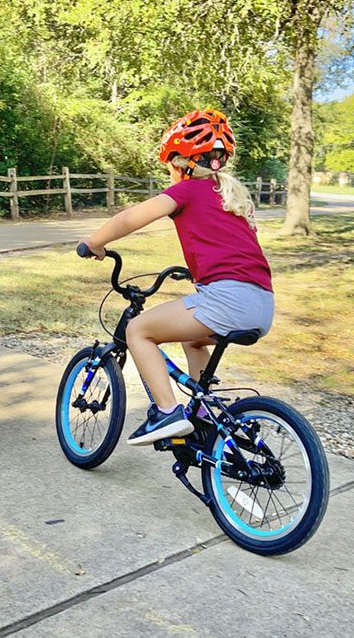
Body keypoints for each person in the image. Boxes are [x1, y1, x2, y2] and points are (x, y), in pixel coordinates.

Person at [78, 109, 274, 446]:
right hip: (262, 305)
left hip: (225, 301)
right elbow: (227, 248)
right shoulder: (232, 197)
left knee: (138, 330)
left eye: (170, 163)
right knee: (192, 338)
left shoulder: (187, 190)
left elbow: (131, 218)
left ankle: (168, 412)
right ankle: (204, 416)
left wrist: (95, 242)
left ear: (182, 163)